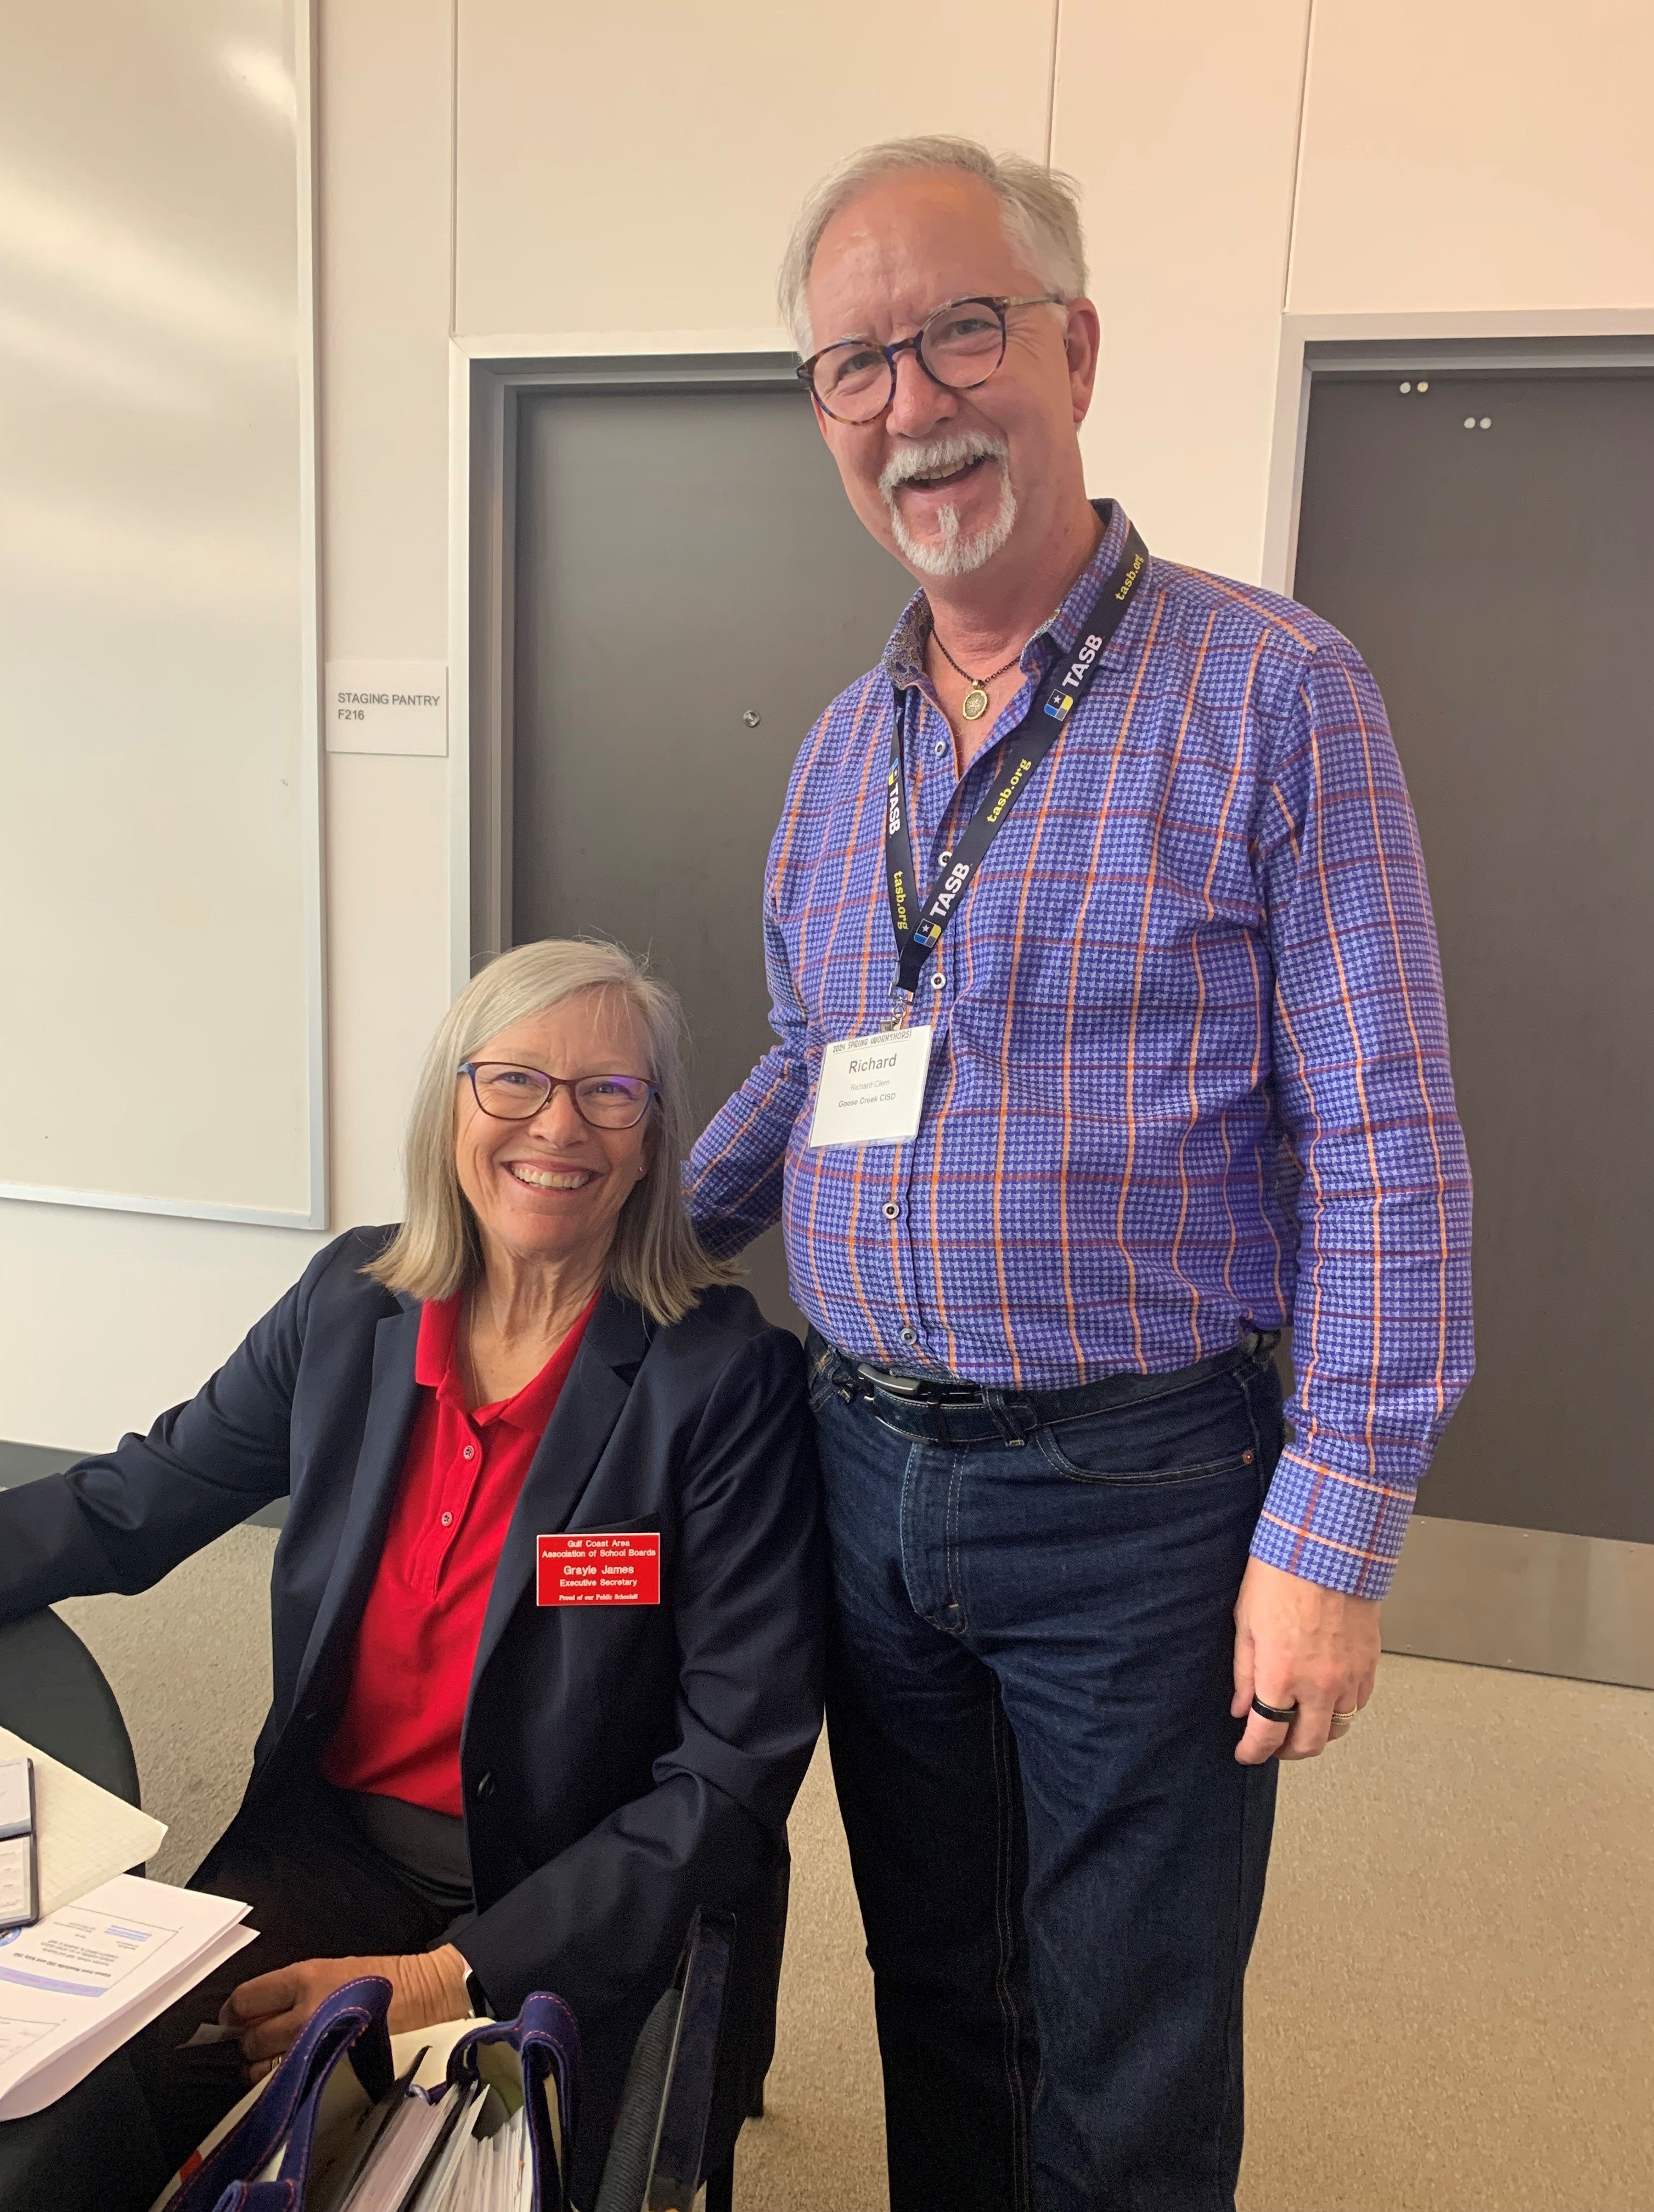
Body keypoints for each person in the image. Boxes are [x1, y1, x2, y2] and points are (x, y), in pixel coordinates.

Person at [687, 137, 1473, 2210]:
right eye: (855, 365)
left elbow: (1382, 1130)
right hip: (864, 1479)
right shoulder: (845, 747)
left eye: (961, 332)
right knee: (943, 1993)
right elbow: (818, 1057)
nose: (913, 404)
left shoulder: (1275, 693)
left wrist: (1337, 1530)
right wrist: (622, 1232)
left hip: (1140, 1497)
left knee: (1125, 2032)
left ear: (1076, 348)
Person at [0, 939, 823, 2205]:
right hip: (331, 1840)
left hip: (573, 1885)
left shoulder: (723, 1381)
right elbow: (137, 1502)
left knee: (490, 2176)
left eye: (612, 1091)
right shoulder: (349, 1305)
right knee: (113, 2105)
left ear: (655, 1139)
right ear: (453, 1105)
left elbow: (731, 1772)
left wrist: (447, 1976)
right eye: (515, 1083)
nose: (560, 1124)